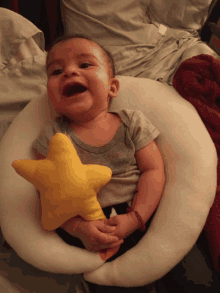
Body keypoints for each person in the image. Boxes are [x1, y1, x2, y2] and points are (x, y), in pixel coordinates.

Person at [32, 33, 166, 292]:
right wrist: (78, 228)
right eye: (56, 71)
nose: (69, 72)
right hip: (84, 228)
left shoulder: (131, 122)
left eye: (84, 65)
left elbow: (154, 171)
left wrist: (136, 217)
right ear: (51, 96)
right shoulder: (52, 135)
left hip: (136, 214)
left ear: (112, 87)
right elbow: (48, 195)